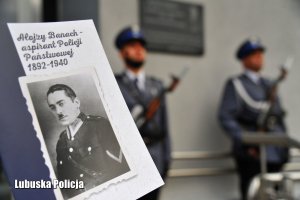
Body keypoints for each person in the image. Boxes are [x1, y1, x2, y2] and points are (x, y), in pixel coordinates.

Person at [218, 38, 289, 200]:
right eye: (254, 54)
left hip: (275, 151)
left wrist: (284, 147)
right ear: (244, 59)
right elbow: (225, 117)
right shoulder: (236, 84)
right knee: (254, 194)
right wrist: (246, 141)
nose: (259, 57)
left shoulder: (269, 84)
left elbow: (278, 118)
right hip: (252, 152)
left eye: (260, 54)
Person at [115, 25, 171, 200]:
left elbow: (164, 126)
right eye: (132, 45)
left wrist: (167, 158)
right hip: (128, 161)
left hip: (155, 158)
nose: (139, 49)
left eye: (141, 46)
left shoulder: (157, 86)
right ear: (122, 53)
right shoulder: (114, 84)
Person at [47, 84, 129, 198]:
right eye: (52, 107)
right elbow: (65, 184)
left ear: (76, 102)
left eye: (61, 104)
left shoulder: (100, 126)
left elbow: (122, 169)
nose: (58, 111)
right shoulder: (61, 142)